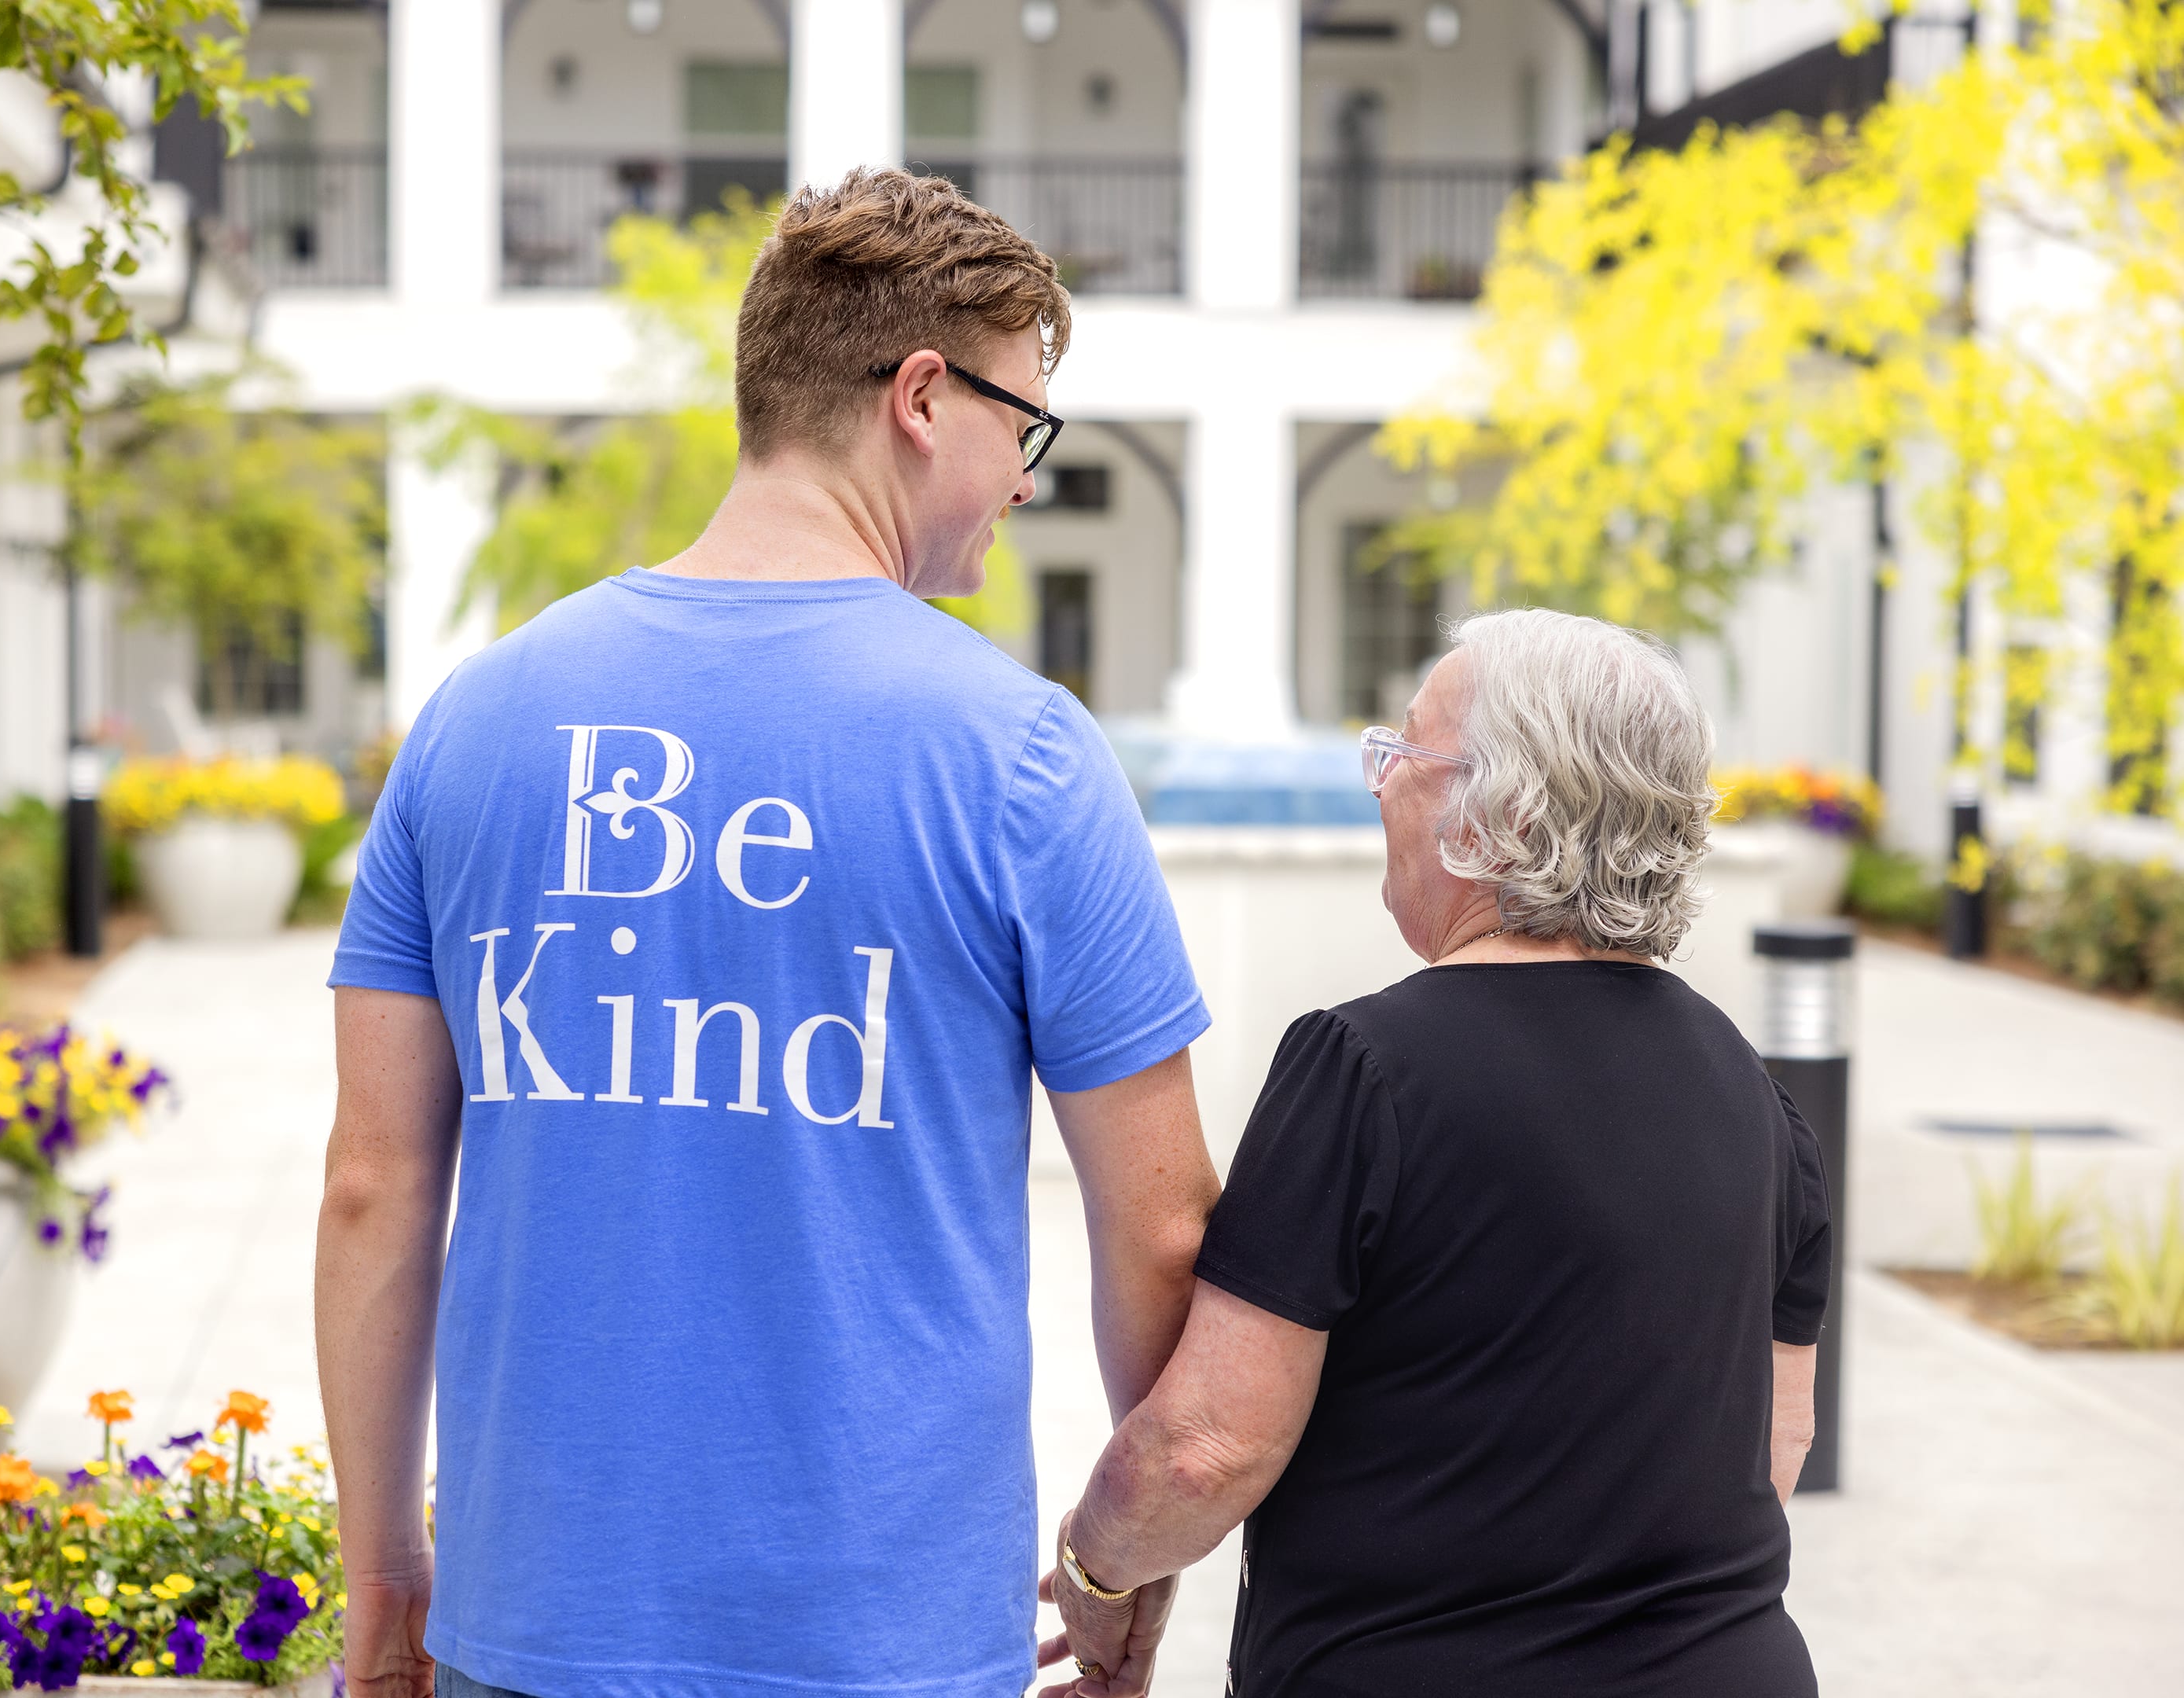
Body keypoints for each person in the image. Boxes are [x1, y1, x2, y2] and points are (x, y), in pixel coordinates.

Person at [314, 168, 1220, 1698]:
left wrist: (382, 1574)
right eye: (1025, 426)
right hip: (882, 1642)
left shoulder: (473, 722)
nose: (1026, 479)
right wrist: (1119, 1563)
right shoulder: (1020, 757)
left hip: (526, 1625)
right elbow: (1162, 1227)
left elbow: (370, 1192)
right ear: (923, 396)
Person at [1039, 608, 1832, 1698]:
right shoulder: (1762, 1104)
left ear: (1498, 813)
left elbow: (1205, 1450)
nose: (1377, 786)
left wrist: (1098, 1570)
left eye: (1402, 752)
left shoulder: (1363, 1069)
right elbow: (1771, 1453)